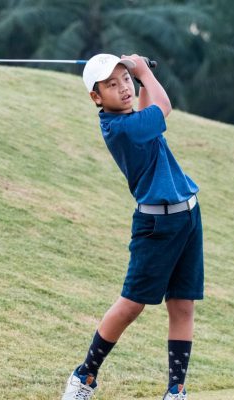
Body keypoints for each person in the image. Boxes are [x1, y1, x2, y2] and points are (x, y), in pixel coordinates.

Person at [61, 53, 204, 400]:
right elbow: (163, 106)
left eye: (125, 79)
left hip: (188, 216)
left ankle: (176, 391)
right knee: (131, 305)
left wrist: (138, 77)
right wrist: (142, 72)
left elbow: (145, 108)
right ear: (96, 97)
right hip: (157, 225)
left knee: (183, 304)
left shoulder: (131, 119)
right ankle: (84, 377)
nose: (123, 88)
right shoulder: (121, 129)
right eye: (112, 84)